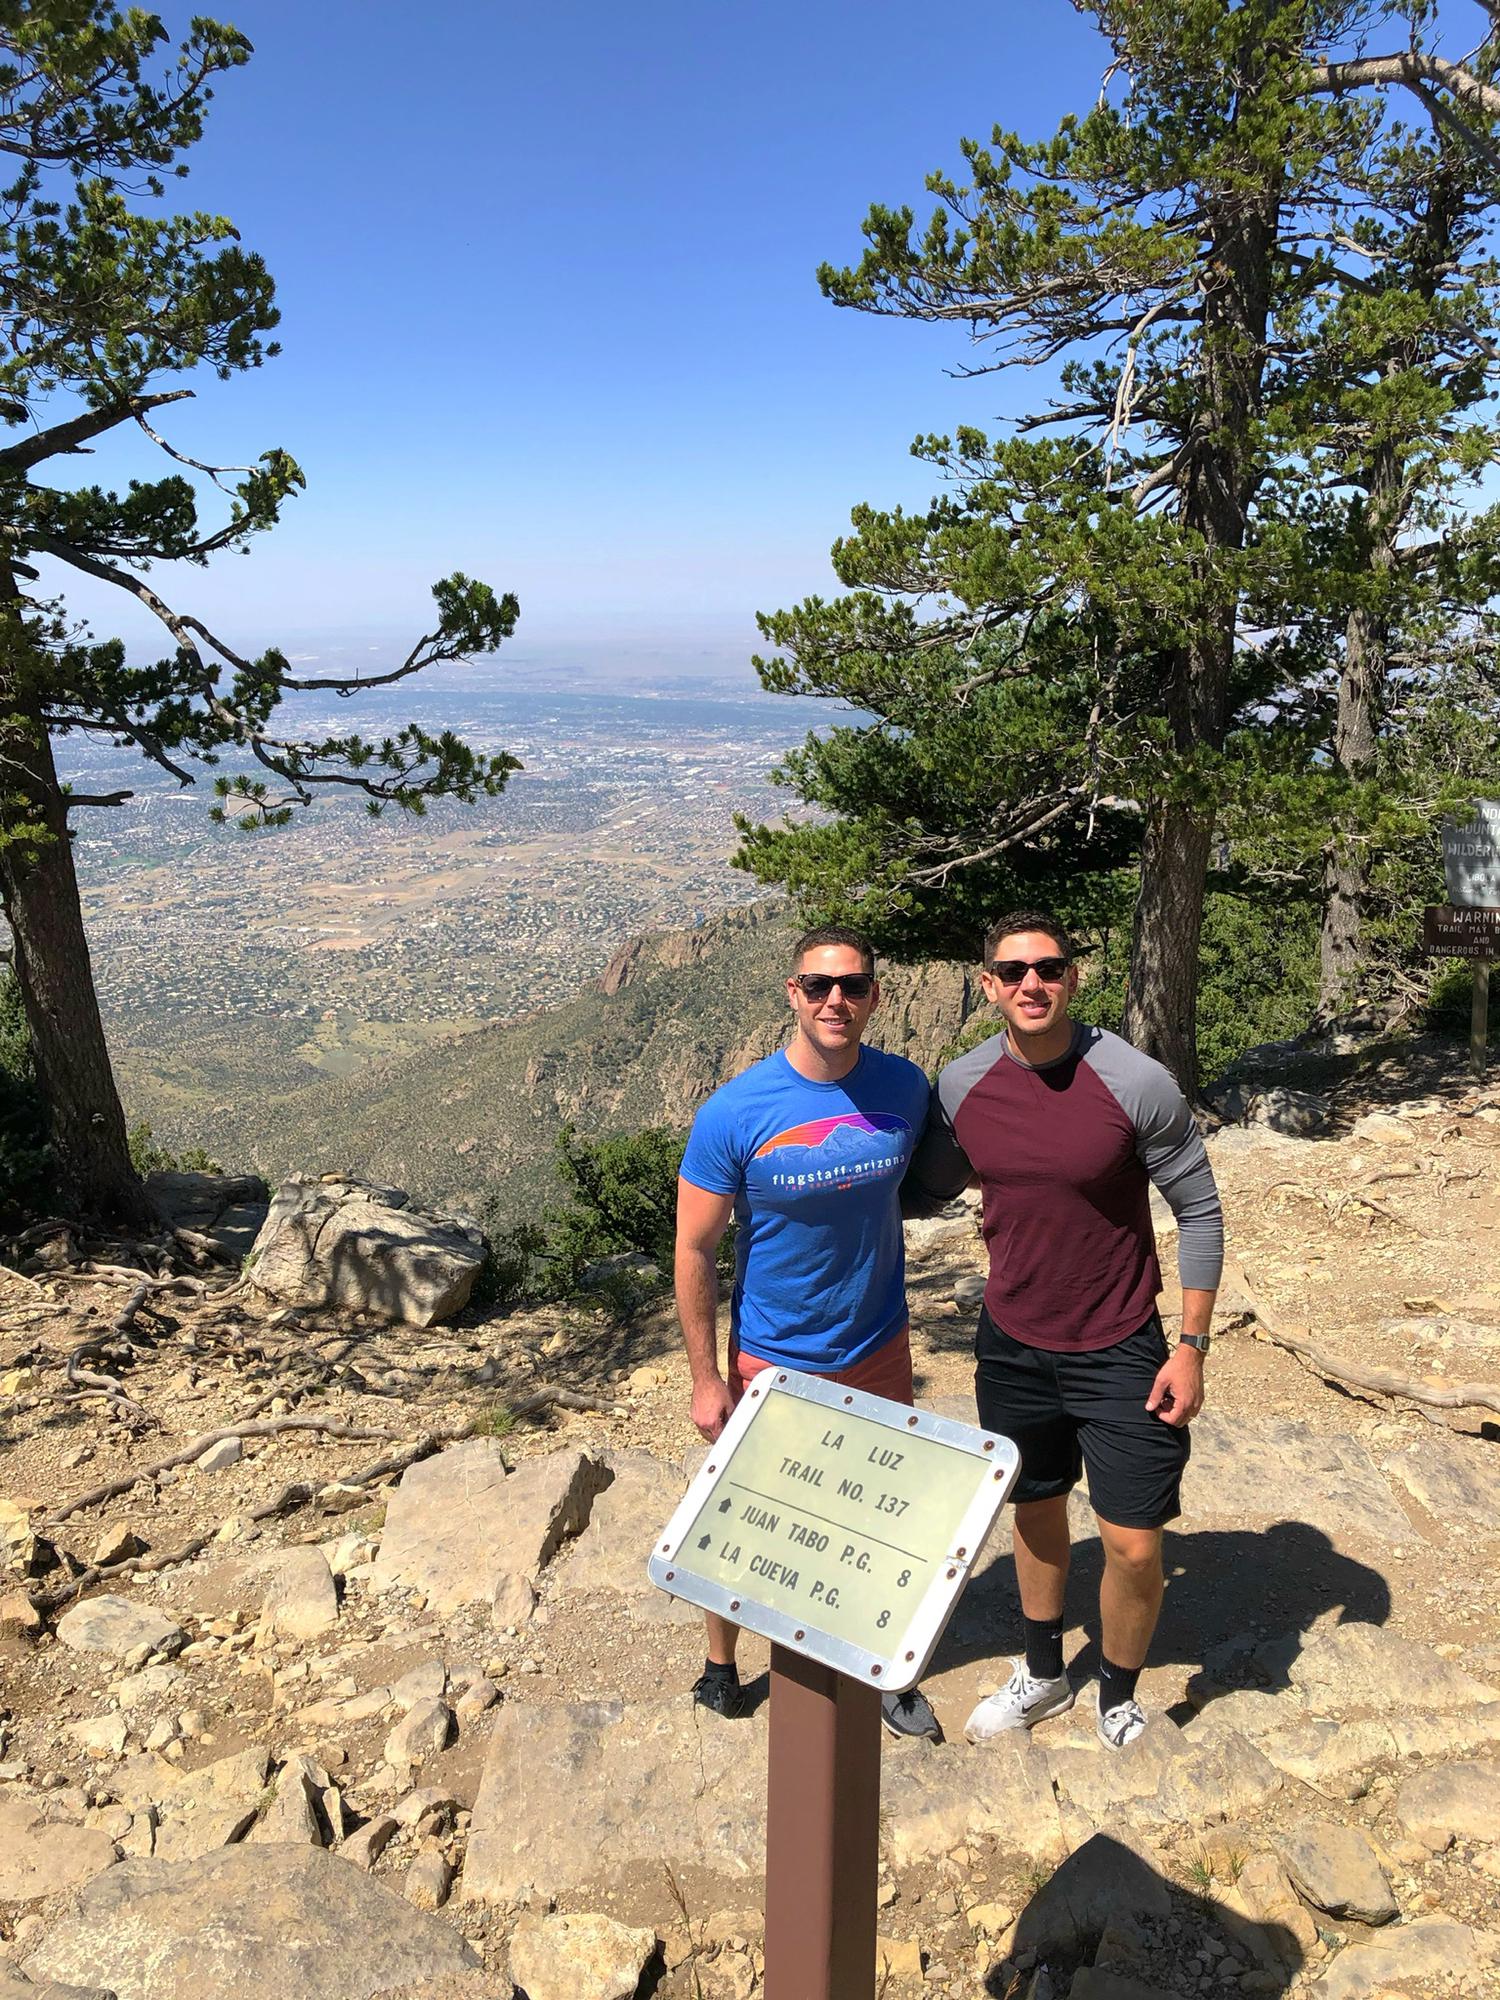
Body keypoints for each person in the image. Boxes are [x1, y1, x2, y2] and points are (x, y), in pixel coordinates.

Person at [905, 909, 1223, 1750]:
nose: (1031, 985)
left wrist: (1189, 1346)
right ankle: (1044, 1673)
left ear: (1074, 976)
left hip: (1121, 1343)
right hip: (1011, 1342)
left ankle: (1115, 1691)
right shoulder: (962, 1087)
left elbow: (1198, 1209)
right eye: (1012, 972)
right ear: (988, 986)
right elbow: (919, 1189)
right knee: (1036, 1511)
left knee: (1132, 1545)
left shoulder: (1135, 1081)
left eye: (1047, 968)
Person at [674, 924, 939, 1738]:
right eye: (818, 986)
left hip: (879, 1344)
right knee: (746, 1514)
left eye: (853, 986)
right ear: (792, 993)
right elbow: (694, 1246)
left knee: (879, 1513)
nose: (836, 1000)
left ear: (875, 997)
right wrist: (705, 1378)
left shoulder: (904, 1088)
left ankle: (883, 1665)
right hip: (775, 1355)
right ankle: (723, 1666)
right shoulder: (736, 1111)